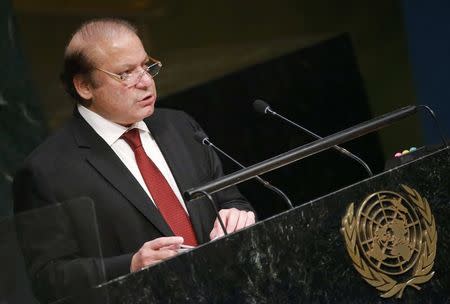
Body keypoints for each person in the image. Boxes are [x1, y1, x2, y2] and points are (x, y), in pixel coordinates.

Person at [13, 18, 255, 301]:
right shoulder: (46, 171)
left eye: (146, 66)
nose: (146, 82)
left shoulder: (180, 126)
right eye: (126, 73)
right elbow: (49, 278)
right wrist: (132, 265)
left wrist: (237, 215)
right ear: (84, 86)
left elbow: (230, 199)